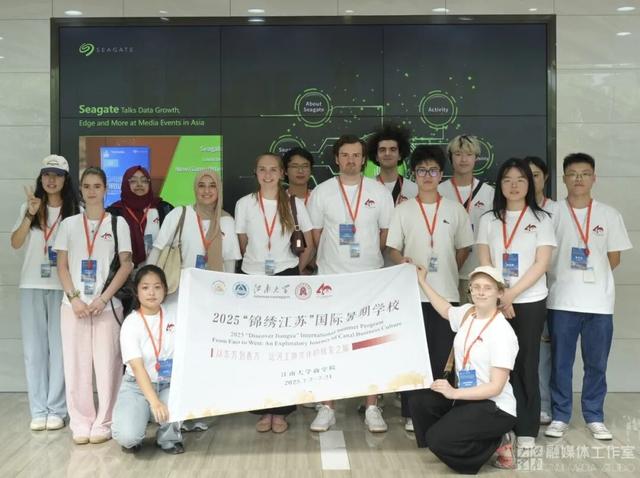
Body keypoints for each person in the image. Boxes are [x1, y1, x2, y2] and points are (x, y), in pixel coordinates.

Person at [307, 134, 394, 433]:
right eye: (345, 155)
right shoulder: (322, 192)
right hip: (331, 281)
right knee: (329, 344)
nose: (351, 160)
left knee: (370, 345)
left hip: (369, 279)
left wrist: (364, 258)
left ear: (364, 159)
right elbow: (316, 235)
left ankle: (371, 406)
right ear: (336, 158)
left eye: (356, 155)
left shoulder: (379, 192)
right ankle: (327, 407)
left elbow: (384, 234)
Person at [386, 145, 474, 432]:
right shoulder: (403, 210)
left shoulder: (454, 209)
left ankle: (437, 409)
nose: (427, 176)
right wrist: (403, 262)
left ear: (441, 174)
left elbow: (464, 248)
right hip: (412, 295)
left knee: (441, 356)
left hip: (445, 295)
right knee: (413, 355)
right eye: (422, 170)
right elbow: (392, 248)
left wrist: (447, 267)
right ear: (414, 174)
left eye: (433, 170)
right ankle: (412, 413)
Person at [545, 153, 632, 441]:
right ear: (564, 178)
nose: (579, 178)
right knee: (561, 363)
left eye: (584, 173)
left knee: (596, 364)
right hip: (561, 300)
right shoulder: (552, 213)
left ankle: (594, 416)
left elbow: (614, 258)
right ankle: (560, 415)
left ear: (594, 178)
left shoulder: (609, 214)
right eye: (573, 173)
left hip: (599, 303)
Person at [148, 169, 241, 431]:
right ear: (195, 189)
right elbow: (157, 254)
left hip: (210, 303)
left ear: (219, 190)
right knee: (177, 355)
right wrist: (146, 290)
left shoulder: (226, 222)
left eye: (212, 185)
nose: (207, 190)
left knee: (204, 355)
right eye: (202, 185)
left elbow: (230, 265)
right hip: (176, 299)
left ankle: (199, 409)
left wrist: (227, 302)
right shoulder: (179, 215)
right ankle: (174, 409)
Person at [476, 157, 556, 449]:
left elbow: (541, 264)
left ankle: (526, 428)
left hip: (530, 301)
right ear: (500, 184)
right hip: (494, 301)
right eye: (508, 180)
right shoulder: (488, 220)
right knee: (496, 362)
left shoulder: (542, 219)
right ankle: (500, 425)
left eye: (521, 180)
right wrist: (500, 295)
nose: (514, 185)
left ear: (530, 184)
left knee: (526, 362)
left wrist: (510, 295)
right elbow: (485, 261)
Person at [410, 265, 519, 473]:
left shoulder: (502, 333)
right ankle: (455, 439)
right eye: (476, 287)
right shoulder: (469, 313)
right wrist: (422, 281)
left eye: (487, 288)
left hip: (494, 406)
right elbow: (445, 309)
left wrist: (454, 393)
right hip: (467, 397)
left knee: (437, 439)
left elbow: (495, 387)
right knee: (420, 401)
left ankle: (498, 442)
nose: (481, 292)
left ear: (499, 293)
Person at [235, 152, 315, 433]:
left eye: (273, 170)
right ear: (256, 173)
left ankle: (281, 411)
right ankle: (262, 409)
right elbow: (243, 243)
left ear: (282, 173)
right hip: (253, 279)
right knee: (257, 346)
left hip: (285, 278)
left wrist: (294, 271)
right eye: (262, 169)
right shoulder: (244, 204)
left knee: (284, 347)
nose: (267, 175)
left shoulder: (294, 203)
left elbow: (308, 244)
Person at [54, 167, 133, 444]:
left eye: (97, 186)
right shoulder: (68, 224)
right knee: (75, 365)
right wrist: (75, 298)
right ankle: (81, 421)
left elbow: (126, 265)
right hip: (73, 306)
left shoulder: (118, 224)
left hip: (107, 306)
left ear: (105, 189)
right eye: (86, 186)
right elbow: (61, 266)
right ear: (81, 189)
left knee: (108, 364)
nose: (91, 191)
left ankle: (105, 421)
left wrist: (103, 298)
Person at [10, 155, 80, 431]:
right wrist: (30, 214)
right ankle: (38, 410)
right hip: (31, 285)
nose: (51, 180)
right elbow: (16, 243)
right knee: (34, 351)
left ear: (66, 179)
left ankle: (57, 410)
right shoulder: (30, 206)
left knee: (60, 351)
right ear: (41, 178)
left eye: (57, 175)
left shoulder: (76, 210)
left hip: (63, 286)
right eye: (47, 174)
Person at [112, 265, 184, 454]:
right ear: (136, 292)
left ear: (165, 289)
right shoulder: (131, 323)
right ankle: (138, 420)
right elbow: (137, 368)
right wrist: (155, 402)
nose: (151, 293)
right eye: (145, 287)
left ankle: (168, 438)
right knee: (128, 437)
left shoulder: (175, 316)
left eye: (157, 287)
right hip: (137, 386)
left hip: (168, 383)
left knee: (176, 400)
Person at [438, 135, 495, 303]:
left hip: (477, 272)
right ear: (450, 158)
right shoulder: (439, 191)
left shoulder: (488, 193)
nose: (463, 159)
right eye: (458, 154)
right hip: (445, 272)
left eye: (469, 154)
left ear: (476, 158)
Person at [524, 155, 557, 426]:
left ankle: (544, 405)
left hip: (552, 290)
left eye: (535, 175)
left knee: (543, 352)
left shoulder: (556, 211)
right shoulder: (510, 211)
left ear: (545, 178)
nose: (530, 180)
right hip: (520, 291)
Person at [106, 165, 173, 268]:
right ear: (125, 184)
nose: (139, 184)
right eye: (133, 181)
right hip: (123, 273)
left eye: (144, 181)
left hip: (158, 271)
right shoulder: (114, 212)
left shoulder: (164, 209)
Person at [366, 123, 418, 205]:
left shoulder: (414, 189)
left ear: (400, 155)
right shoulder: (365, 188)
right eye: (382, 150)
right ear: (376, 156)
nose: (387, 153)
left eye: (393, 149)